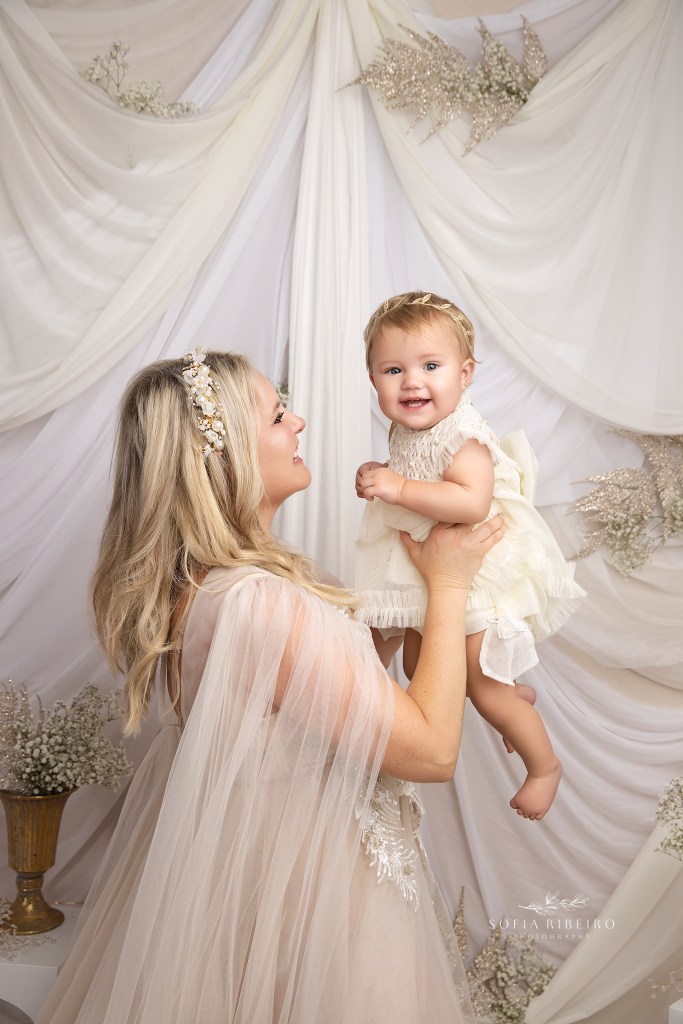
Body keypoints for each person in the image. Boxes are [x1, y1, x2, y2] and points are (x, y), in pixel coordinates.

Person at [36, 348, 502, 1024]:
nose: (301, 422)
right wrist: (450, 584)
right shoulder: (258, 604)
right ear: (223, 457)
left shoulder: (206, 594)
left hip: (272, 900)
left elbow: (320, 715)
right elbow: (429, 752)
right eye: (280, 415)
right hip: (321, 919)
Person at [355, 292, 585, 821]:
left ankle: (543, 765)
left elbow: (469, 502)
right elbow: (415, 476)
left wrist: (398, 487)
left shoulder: (464, 437)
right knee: (419, 667)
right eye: (394, 369)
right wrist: (382, 474)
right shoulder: (410, 427)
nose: (412, 381)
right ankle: (510, 695)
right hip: (430, 570)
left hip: (476, 573)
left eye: (431, 366)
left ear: (466, 373)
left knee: (481, 690)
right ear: (374, 381)